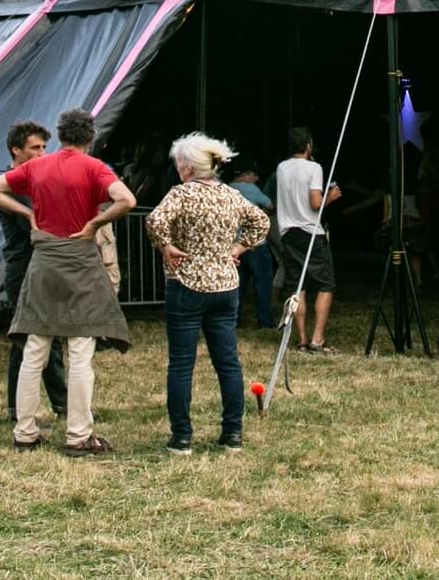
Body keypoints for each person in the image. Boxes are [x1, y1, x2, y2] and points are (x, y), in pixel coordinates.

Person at [0, 108, 135, 455]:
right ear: (90, 138)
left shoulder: (36, 166)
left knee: (35, 348)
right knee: (81, 351)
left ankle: (25, 431)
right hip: (81, 259)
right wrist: (95, 224)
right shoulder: (95, 167)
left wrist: (27, 212)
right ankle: (79, 435)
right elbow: (127, 200)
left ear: (61, 135)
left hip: (44, 260)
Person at [145, 133, 270, 454]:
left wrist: (167, 246)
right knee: (228, 362)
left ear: (186, 167)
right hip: (225, 287)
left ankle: (182, 436)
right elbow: (261, 221)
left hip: (186, 284)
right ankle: (233, 434)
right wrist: (239, 248)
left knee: (182, 364)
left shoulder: (181, 194)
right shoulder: (231, 195)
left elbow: (155, 220)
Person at [0, 122, 66, 423]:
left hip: (39, 264)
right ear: (17, 150)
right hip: (24, 267)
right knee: (29, 338)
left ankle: (49, 404)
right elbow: (36, 225)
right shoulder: (14, 184)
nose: (42, 153)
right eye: (35, 148)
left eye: (44, 148)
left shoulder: (32, 180)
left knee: (43, 337)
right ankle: (51, 403)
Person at [274, 127, 341, 354]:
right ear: (308, 145)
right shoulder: (314, 168)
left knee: (297, 286)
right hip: (310, 232)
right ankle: (317, 339)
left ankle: (302, 340)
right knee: (325, 284)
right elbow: (315, 203)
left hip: (288, 233)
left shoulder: (281, 167)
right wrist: (329, 198)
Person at [227, 160, 277, 329]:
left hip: (234, 247)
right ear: (247, 174)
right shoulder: (251, 189)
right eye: (255, 175)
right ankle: (265, 322)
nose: (256, 179)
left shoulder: (226, 189)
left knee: (237, 286)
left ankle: (233, 320)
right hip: (256, 244)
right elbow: (270, 204)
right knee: (263, 285)